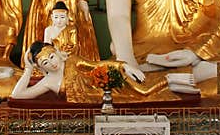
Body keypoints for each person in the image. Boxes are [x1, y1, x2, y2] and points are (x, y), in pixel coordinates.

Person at [10, 41, 200, 102]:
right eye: (45, 62)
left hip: (109, 87)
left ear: (58, 54)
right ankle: (172, 80)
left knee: (143, 91)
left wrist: (124, 65)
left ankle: (169, 78)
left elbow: (97, 66)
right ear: (41, 67)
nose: (51, 63)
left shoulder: (73, 61)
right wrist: (27, 69)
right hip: (97, 99)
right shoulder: (48, 81)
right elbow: (17, 95)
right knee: (143, 93)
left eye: (51, 57)